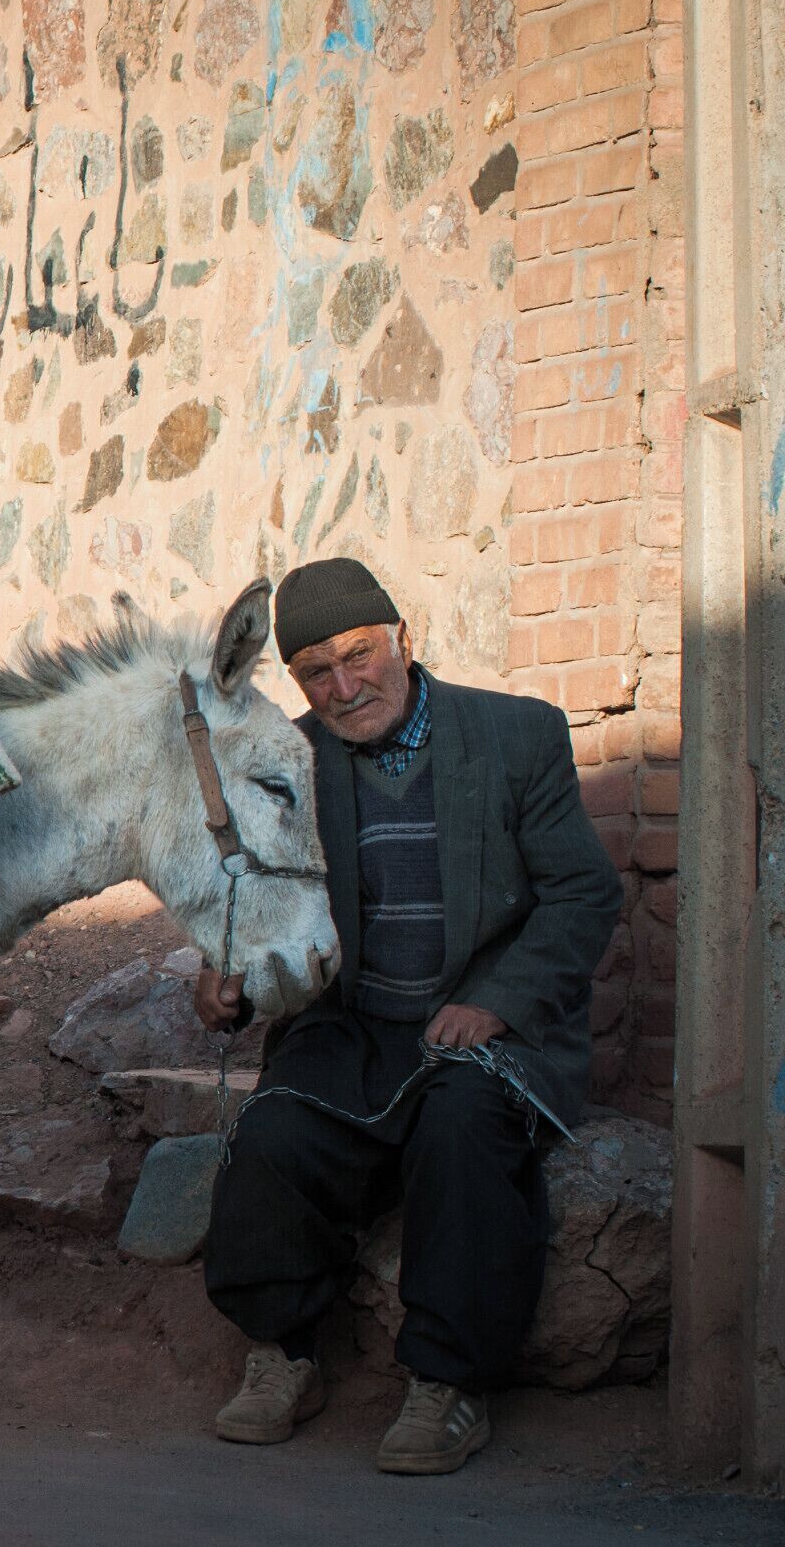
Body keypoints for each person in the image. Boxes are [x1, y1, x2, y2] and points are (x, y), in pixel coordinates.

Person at [192, 557, 623, 1475]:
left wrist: (498, 1004)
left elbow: (582, 895)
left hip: (479, 1029)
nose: (344, 687)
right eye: (316, 672)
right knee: (274, 1134)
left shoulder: (517, 736)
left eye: (359, 655)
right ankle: (282, 1354)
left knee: (464, 1133)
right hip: (352, 1026)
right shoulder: (290, 763)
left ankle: (448, 1384)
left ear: (404, 640)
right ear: (298, 682)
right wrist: (228, 984)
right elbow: (254, 900)